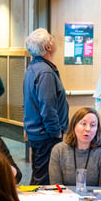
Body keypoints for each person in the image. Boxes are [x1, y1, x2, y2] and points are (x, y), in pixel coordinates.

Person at [23, 28, 69, 185]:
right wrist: (56, 133)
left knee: (39, 173)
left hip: (38, 134)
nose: (54, 40)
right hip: (47, 136)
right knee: (43, 178)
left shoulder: (33, 68)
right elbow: (48, 107)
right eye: (52, 37)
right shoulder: (45, 72)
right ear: (48, 47)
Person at [49, 107, 101, 188]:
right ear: (74, 126)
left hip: (96, 200)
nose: (88, 129)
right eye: (83, 124)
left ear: (97, 130)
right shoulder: (58, 150)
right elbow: (57, 187)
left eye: (93, 125)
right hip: (66, 199)